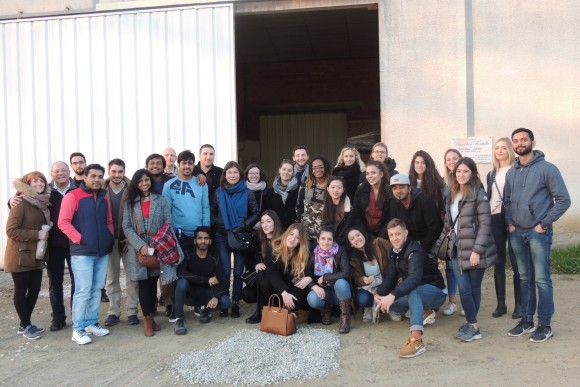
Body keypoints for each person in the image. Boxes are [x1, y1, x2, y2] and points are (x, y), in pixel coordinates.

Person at [505, 128, 571, 343]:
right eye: (516, 140)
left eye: (524, 139)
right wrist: (510, 223)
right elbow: (506, 201)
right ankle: (526, 320)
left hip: (538, 234)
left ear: (532, 141)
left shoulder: (547, 169)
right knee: (524, 278)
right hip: (517, 233)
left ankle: (545, 324)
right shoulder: (511, 172)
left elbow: (563, 199)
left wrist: (543, 224)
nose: (520, 143)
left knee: (542, 279)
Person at [435, 157, 497, 342]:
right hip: (455, 250)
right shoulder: (451, 193)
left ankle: (473, 326)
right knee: (464, 288)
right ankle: (472, 324)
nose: (461, 174)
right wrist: (437, 249)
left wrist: (477, 250)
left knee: (474, 288)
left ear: (472, 174)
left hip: (475, 250)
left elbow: (486, 224)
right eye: (458, 171)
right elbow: (448, 225)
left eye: (465, 171)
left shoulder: (478, 194)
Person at [122, 169, 183, 337]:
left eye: (147, 180)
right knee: (143, 284)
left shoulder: (160, 199)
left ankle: (151, 315)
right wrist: (140, 245)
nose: (144, 184)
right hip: (138, 247)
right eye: (140, 181)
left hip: (158, 245)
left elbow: (168, 222)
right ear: (136, 183)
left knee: (155, 280)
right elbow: (126, 226)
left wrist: (157, 243)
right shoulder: (130, 202)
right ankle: (147, 320)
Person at [375, 219, 447, 358]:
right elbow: (391, 277)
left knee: (410, 289)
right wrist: (380, 294)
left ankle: (417, 340)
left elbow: (414, 279)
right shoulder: (392, 251)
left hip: (436, 291)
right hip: (418, 292)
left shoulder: (415, 251)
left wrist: (392, 295)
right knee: (387, 304)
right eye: (391, 235)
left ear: (406, 233)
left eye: (398, 234)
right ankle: (424, 311)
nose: (394, 238)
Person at [58, 164, 114, 345]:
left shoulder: (105, 197)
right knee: (82, 291)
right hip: (82, 252)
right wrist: (80, 239)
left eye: (100, 176)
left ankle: (91, 323)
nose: (97, 179)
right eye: (93, 176)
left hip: (102, 251)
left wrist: (109, 237)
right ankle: (78, 329)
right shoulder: (72, 196)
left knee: (97, 288)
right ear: (86, 177)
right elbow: (63, 222)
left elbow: (109, 221)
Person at [5, 171, 51, 340]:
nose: (39, 184)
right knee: (21, 290)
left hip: (36, 255)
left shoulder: (42, 203)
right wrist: (36, 234)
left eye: (42, 181)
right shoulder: (21, 202)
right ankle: (25, 325)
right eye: (35, 181)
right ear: (27, 184)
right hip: (19, 255)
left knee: (34, 290)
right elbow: (11, 230)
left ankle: (25, 323)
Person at [211, 161, 260, 318]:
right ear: (225, 175)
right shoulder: (218, 192)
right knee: (225, 270)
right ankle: (225, 301)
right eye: (229, 172)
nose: (232, 175)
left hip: (240, 236)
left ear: (240, 175)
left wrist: (244, 225)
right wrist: (222, 223)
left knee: (238, 271)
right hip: (221, 235)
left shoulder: (247, 192)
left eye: (235, 172)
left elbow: (256, 213)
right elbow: (211, 213)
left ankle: (236, 302)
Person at [486, 137, 520, 319]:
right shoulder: (491, 174)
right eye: (497, 148)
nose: (500, 151)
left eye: (503, 147)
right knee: (498, 262)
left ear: (510, 150)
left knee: (516, 263)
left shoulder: (517, 170)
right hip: (494, 219)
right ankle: (501, 304)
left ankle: (519, 306)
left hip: (513, 219)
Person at [103, 159, 140, 327]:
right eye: (114, 172)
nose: (117, 175)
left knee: (132, 277)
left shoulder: (133, 190)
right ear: (109, 172)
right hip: (109, 240)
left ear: (124, 171)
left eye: (120, 172)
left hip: (129, 240)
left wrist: (131, 236)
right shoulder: (101, 190)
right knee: (112, 278)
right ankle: (113, 311)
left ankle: (132, 311)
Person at [174, 227, 230, 334]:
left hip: (205, 294)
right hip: (189, 294)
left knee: (225, 301)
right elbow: (181, 273)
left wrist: (216, 297)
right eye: (200, 238)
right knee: (182, 282)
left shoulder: (214, 257)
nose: (203, 241)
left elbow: (225, 281)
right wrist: (206, 280)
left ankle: (204, 309)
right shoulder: (188, 254)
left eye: (206, 238)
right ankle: (179, 320)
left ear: (210, 241)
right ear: (195, 240)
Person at [46, 162, 76, 331]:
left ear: (69, 171)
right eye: (57, 171)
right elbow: (24, 197)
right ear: (52, 173)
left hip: (74, 243)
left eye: (63, 170)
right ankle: (58, 317)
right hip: (54, 244)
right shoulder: (45, 191)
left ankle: (76, 315)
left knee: (77, 281)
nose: (60, 174)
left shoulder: (78, 188)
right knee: (55, 282)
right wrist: (11, 200)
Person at [260, 223, 310, 323]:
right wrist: (284, 293)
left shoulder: (302, 254)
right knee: (265, 283)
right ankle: (276, 311)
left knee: (300, 292)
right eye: (291, 234)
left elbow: (302, 275)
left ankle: (287, 312)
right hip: (276, 286)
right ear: (286, 234)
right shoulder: (273, 247)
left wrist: (309, 278)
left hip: (292, 284)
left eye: (297, 237)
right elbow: (271, 273)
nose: (292, 239)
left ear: (301, 241)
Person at [306, 227, 352, 333]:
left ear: (333, 240)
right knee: (312, 298)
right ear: (318, 240)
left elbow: (346, 273)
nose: (326, 242)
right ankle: (326, 311)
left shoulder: (340, 251)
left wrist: (325, 277)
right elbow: (308, 275)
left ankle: (345, 318)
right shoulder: (314, 254)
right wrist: (314, 286)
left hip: (340, 293)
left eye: (329, 239)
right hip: (325, 292)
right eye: (323, 238)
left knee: (341, 282)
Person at [388, 173, 443, 254]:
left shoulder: (425, 201)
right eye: (394, 188)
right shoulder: (393, 203)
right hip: (409, 245)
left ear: (409, 188)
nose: (398, 191)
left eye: (402, 187)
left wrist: (420, 250)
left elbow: (435, 229)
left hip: (432, 243)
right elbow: (397, 227)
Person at [346, 226, 391, 322]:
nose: (356, 239)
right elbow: (357, 279)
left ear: (364, 235)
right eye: (352, 239)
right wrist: (364, 280)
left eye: (358, 235)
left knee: (390, 290)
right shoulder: (353, 258)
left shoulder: (379, 243)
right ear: (351, 244)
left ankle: (392, 308)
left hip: (387, 282)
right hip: (371, 287)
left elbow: (394, 254)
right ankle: (369, 308)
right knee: (363, 299)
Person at [245, 210, 283, 324]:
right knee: (246, 294)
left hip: (278, 277)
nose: (265, 225)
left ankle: (260, 311)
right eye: (262, 222)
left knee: (263, 277)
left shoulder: (283, 238)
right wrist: (256, 264)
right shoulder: (259, 238)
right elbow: (249, 257)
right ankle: (265, 306)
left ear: (275, 222)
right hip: (262, 277)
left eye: (268, 221)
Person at [440, 148, 462, 316]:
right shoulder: (445, 182)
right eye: (448, 159)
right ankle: (453, 302)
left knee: (465, 267)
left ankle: (469, 302)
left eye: (455, 158)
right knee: (450, 267)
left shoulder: (469, 179)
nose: (452, 161)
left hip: (466, 231)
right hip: (450, 231)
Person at [296, 156, 331, 245]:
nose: (317, 170)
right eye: (314, 168)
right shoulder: (306, 184)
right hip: (305, 232)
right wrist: (300, 221)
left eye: (320, 167)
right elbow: (299, 206)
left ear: (326, 167)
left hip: (324, 234)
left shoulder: (332, 184)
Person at [352, 160, 390, 238]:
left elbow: (390, 217)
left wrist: (380, 237)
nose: (370, 176)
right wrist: (364, 233)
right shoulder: (361, 189)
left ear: (381, 174)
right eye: (367, 173)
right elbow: (356, 212)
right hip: (365, 232)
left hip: (384, 235)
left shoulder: (390, 192)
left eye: (373, 173)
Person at [408, 150, 444, 216]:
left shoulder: (436, 182)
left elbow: (439, 205)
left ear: (428, 164)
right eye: (417, 162)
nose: (419, 165)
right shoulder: (408, 182)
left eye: (423, 163)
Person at [321, 176, 353, 246]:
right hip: (327, 240)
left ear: (343, 190)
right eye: (333, 187)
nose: (336, 190)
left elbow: (346, 229)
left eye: (339, 187)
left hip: (342, 242)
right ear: (328, 189)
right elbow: (324, 225)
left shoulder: (349, 208)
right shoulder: (325, 204)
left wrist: (335, 242)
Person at [269, 159, 300, 229]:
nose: (286, 172)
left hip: (292, 230)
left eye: (289, 170)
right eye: (284, 169)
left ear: (293, 173)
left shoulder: (299, 190)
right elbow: (268, 211)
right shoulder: (271, 191)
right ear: (279, 170)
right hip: (275, 230)